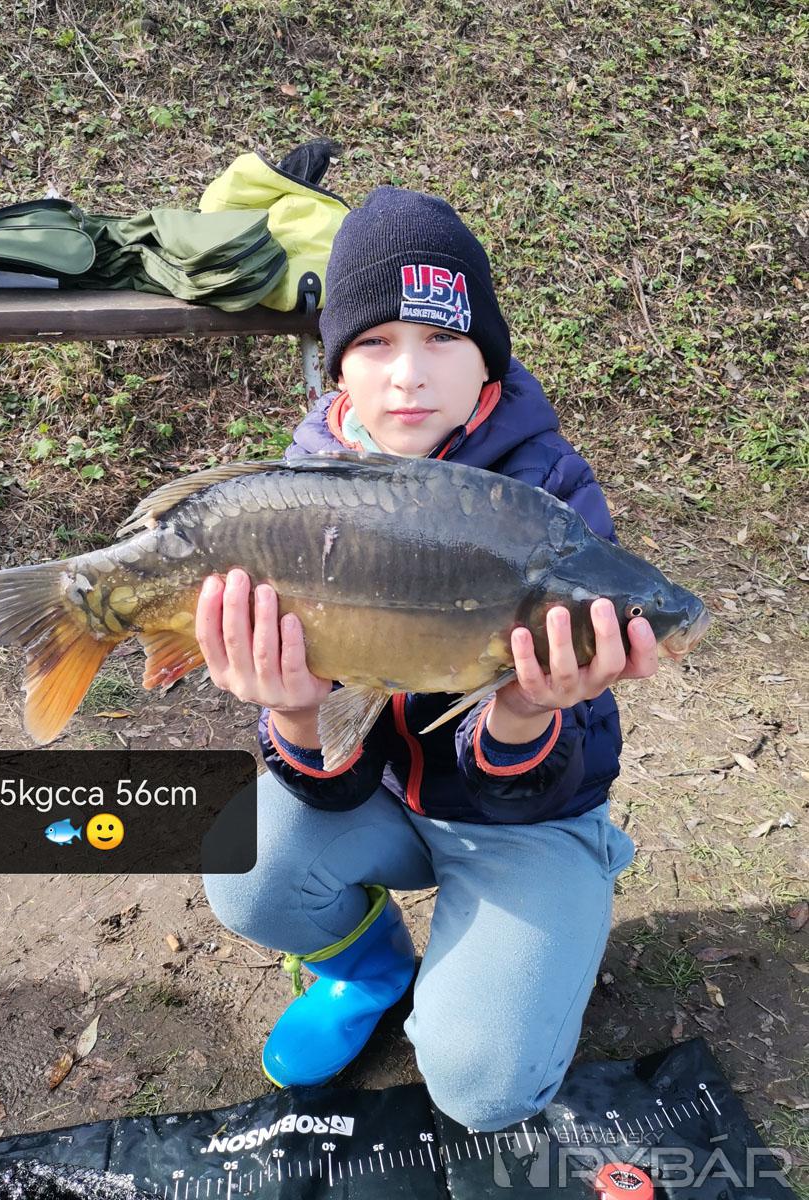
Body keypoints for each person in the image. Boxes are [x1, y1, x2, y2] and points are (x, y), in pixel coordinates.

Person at [200, 187, 657, 1132]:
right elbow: (327, 778)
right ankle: (368, 973)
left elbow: (539, 767)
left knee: (484, 1086)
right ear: (336, 366)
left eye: (442, 338)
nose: (408, 375)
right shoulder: (296, 495)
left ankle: (558, 901)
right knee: (244, 866)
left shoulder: (549, 498)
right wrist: (293, 715)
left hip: (526, 816)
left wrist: (526, 710)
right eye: (375, 342)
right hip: (377, 796)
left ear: (488, 358)